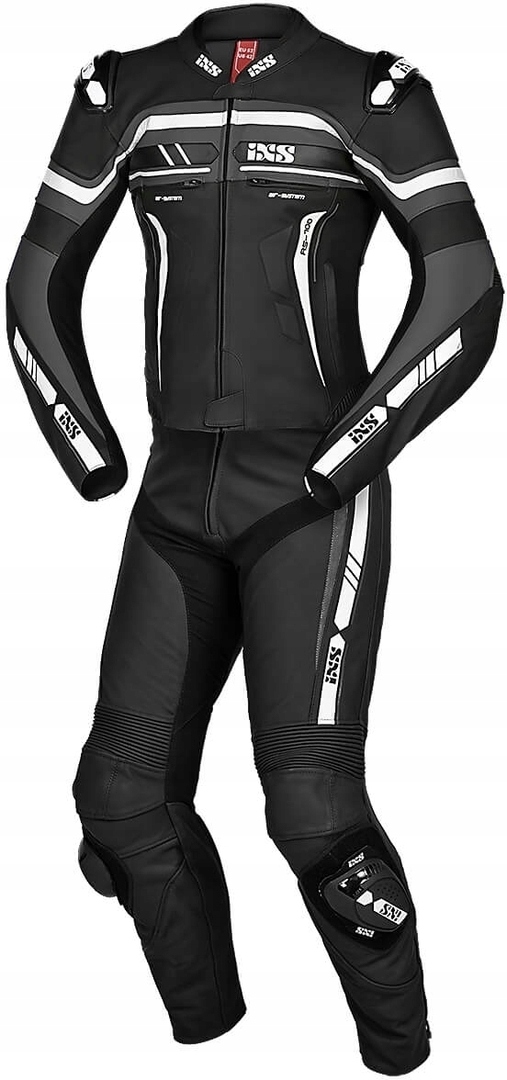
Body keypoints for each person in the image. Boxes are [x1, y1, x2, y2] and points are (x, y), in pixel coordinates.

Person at [6, 6, 502, 1073]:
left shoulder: (371, 91)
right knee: (119, 800)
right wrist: (85, 446)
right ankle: (210, 1037)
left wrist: (348, 454)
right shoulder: (120, 89)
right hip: (173, 493)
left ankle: (399, 1050)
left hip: (312, 497)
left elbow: (467, 287)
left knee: (312, 807)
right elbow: (35, 278)